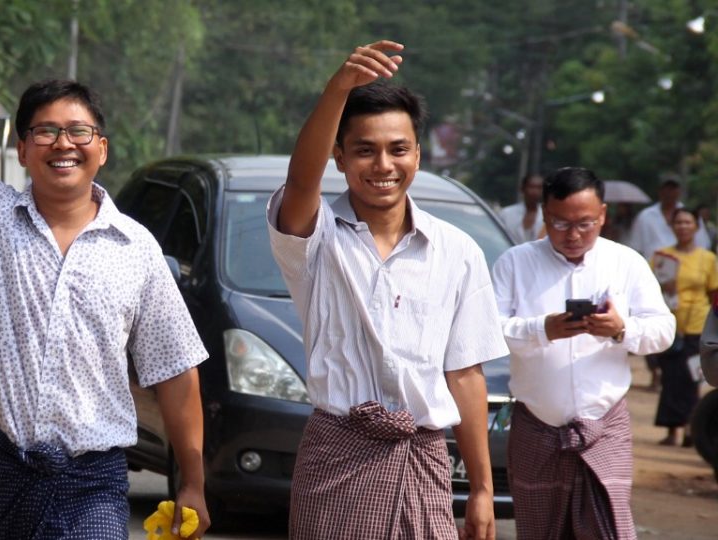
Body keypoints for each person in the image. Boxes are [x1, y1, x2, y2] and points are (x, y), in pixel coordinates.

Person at [0, 2, 210, 539]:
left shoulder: (136, 248)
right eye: (44, 132)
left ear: (102, 150)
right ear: (22, 150)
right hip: (8, 468)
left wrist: (193, 480)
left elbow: (175, 370)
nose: (62, 143)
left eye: (78, 131)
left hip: (94, 480)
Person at [267, 41, 508, 540]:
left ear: (418, 154)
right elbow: (299, 179)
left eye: (398, 149)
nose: (383, 165)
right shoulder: (316, 236)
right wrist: (337, 90)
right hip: (335, 460)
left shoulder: (457, 251)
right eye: (364, 150)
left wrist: (482, 488)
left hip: (424, 460)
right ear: (338, 156)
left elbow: (464, 373)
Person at [492, 167, 676, 539]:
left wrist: (621, 329)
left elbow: (663, 330)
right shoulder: (515, 262)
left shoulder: (626, 263)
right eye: (560, 223)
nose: (573, 235)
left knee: (607, 527)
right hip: (536, 423)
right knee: (540, 530)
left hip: (604, 424)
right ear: (544, 215)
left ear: (603, 216)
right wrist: (542, 329)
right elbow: (486, 330)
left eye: (585, 223)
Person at [650, 208, 718, 447]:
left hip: (698, 325)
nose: (683, 226)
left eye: (688, 222)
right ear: (672, 226)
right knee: (671, 377)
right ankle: (672, 429)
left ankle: (691, 427)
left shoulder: (708, 259)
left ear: (696, 227)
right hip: (670, 325)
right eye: (678, 222)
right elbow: (649, 291)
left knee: (693, 379)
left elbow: (713, 293)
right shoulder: (661, 257)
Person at [629, 177, 709, 259]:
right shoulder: (645, 216)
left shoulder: (691, 215)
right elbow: (635, 248)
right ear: (659, 191)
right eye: (666, 189)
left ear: (679, 191)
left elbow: (702, 244)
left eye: (672, 189)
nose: (669, 193)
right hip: (652, 266)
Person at [497, 173, 544, 244]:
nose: (535, 192)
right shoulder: (506, 214)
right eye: (531, 187)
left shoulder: (548, 214)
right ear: (522, 189)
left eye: (539, 188)